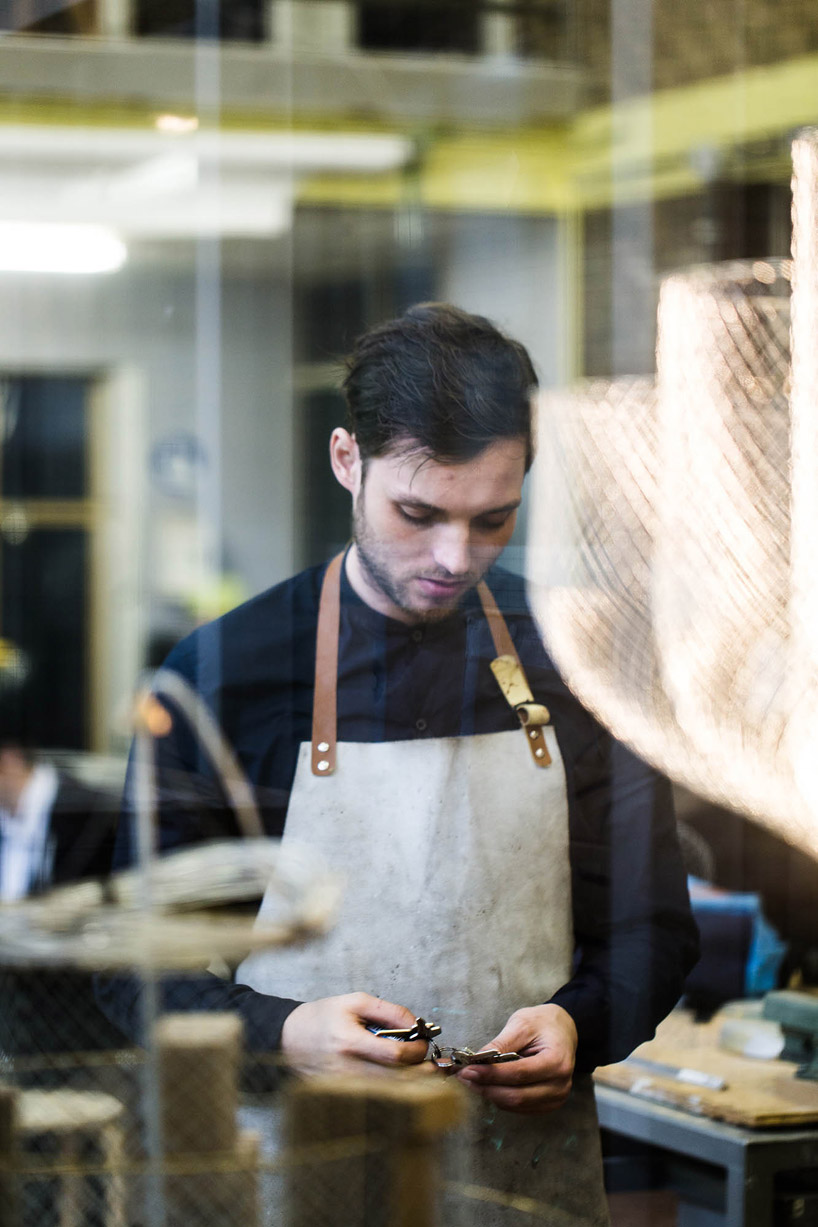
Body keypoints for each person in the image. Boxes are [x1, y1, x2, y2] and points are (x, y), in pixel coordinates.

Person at [102, 303, 698, 1224]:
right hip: (291, 1174)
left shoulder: (577, 660)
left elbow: (653, 926)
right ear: (349, 460)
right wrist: (283, 1032)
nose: (453, 557)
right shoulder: (225, 675)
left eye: (493, 518)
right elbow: (131, 965)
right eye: (417, 513)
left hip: (519, 1179)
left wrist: (584, 1022)